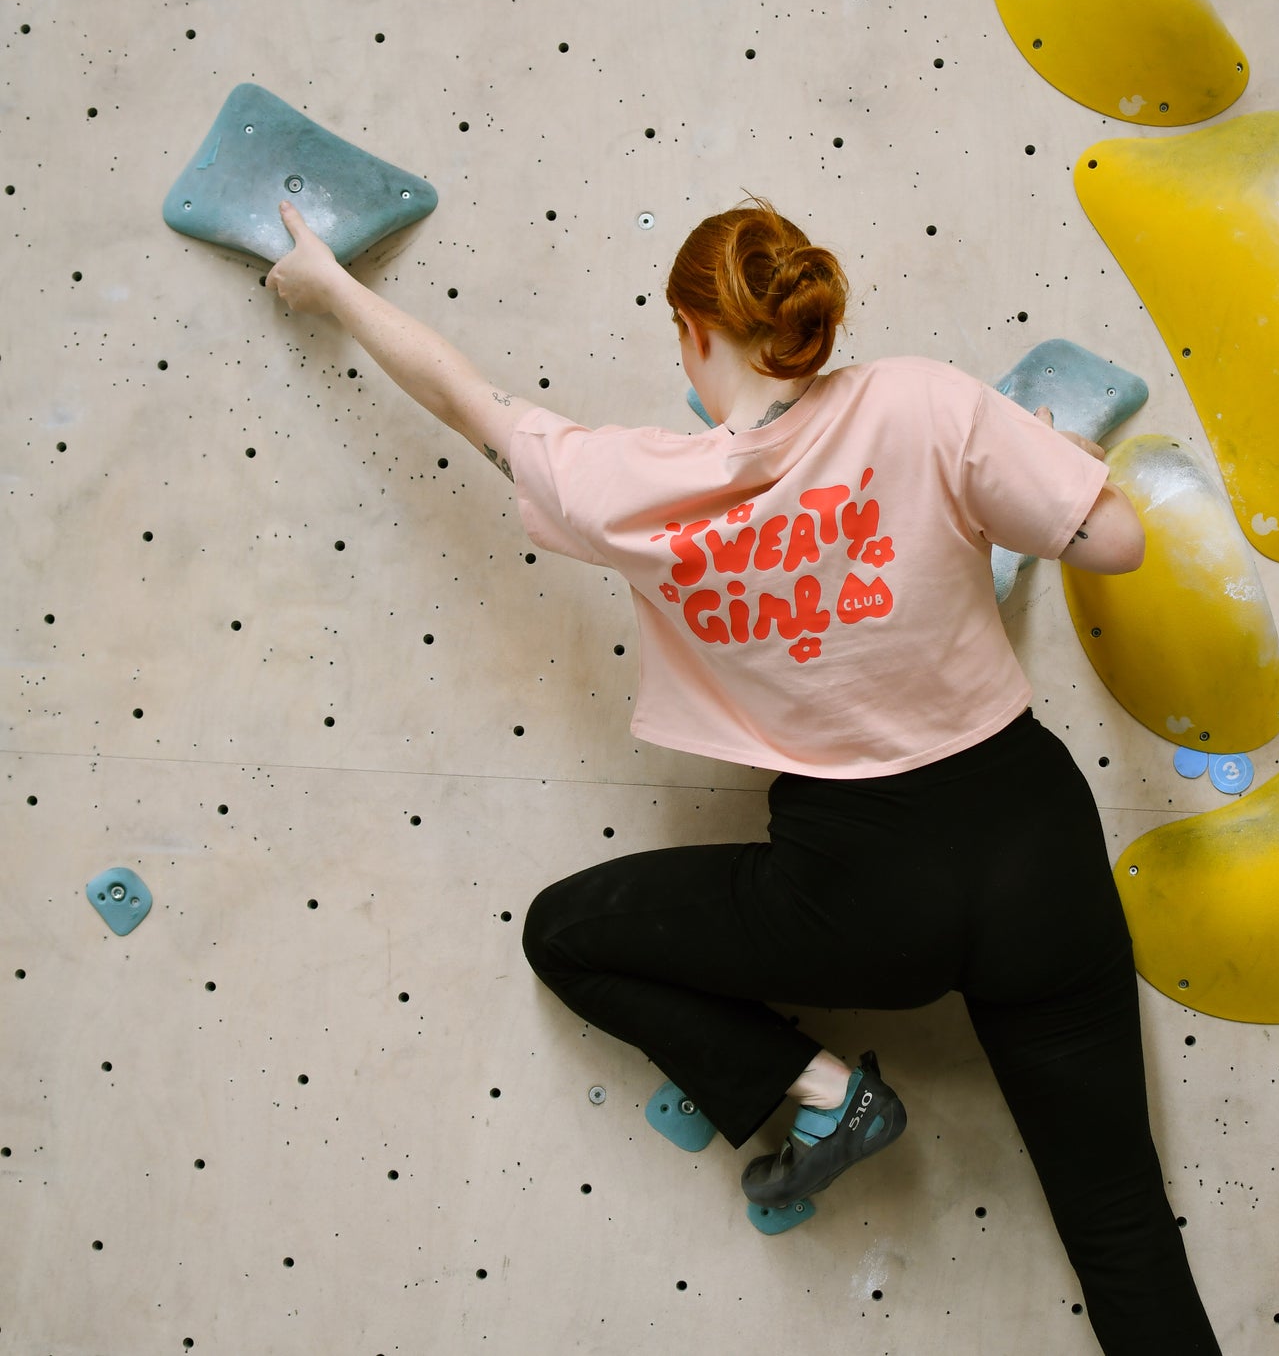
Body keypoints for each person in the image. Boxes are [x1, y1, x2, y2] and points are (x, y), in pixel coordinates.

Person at [265, 196, 1221, 1355]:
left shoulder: (634, 487)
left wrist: (330, 287)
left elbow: (469, 399)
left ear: (691, 327)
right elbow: (1111, 540)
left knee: (566, 930)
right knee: (1117, 1220)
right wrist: (1055, 463)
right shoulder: (919, 398)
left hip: (861, 891)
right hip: (1035, 847)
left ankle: (821, 1091)